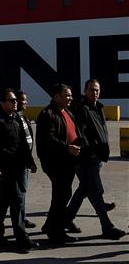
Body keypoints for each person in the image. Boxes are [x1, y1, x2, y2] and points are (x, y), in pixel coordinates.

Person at [65, 80, 125, 240]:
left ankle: (66, 218)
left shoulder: (99, 108)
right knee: (96, 192)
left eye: (97, 90)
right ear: (85, 91)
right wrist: (90, 150)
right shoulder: (82, 109)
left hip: (97, 157)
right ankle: (107, 227)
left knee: (84, 189)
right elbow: (81, 134)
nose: (95, 92)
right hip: (87, 158)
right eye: (91, 90)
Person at [0, 89, 37, 253]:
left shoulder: (15, 119)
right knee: (18, 202)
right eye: (11, 100)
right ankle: (22, 240)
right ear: (2, 103)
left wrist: (30, 162)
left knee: (3, 203)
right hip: (6, 170)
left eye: (16, 100)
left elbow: (22, 145)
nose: (16, 102)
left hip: (19, 167)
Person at [37, 83, 82, 246]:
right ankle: (55, 231)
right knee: (61, 195)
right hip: (55, 162)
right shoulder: (47, 114)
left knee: (63, 194)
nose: (70, 98)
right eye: (67, 95)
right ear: (56, 96)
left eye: (70, 95)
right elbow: (47, 140)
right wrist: (67, 148)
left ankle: (51, 225)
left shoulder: (68, 112)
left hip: (69, 161)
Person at [14, 91, 37, 229]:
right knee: (21, 190)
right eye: (23, 100)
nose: (25, 102)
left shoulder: (22, 116)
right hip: (20, 161)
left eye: (26, 99)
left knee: (21, 190)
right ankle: (22, 219)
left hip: (25, 160)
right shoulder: (14, 118)